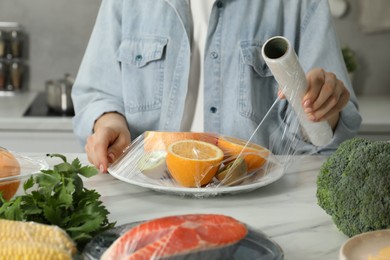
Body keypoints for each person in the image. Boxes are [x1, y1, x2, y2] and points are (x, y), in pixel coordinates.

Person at [72, 0, 362, 172]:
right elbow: (97, 90)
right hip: (146, 196)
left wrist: (324, 109)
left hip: (258, 205)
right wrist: (109, 122)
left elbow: (326, 139)